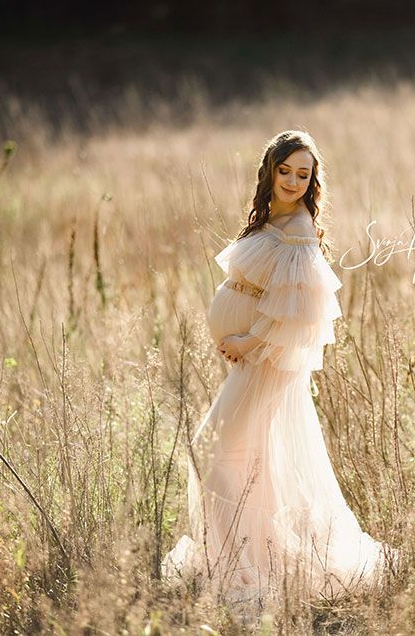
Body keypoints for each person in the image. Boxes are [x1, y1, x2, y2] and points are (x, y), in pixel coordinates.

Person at [162, 130, 398, 610]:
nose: (292, 180)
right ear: (270, 169)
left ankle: (240, 568)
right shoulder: (273, 217)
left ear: (313, 181)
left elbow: (303, 310)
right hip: (250, 361)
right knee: (251, 461)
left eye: (303, 174)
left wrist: (249, 340)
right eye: (285, 170)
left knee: (211, 452)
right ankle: (250, 558)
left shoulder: (300, 229)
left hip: (265, 362)